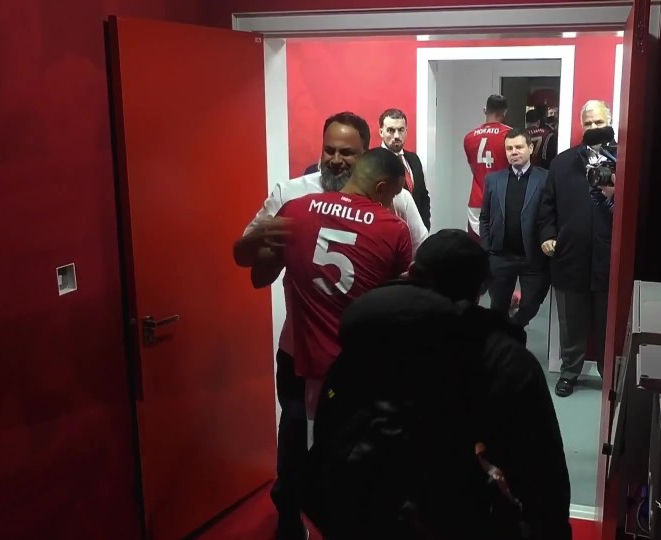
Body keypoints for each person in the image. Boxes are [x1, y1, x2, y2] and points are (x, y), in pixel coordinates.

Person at [232, 111, 427, 540]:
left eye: (348, 153)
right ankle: (290, 519)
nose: (337, 160)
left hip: (363, 357)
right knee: (297, 437)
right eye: (329, 151)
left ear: (365, 157)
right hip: (300, 349)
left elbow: (419, 261)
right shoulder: (292, 195)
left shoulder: (396, 201)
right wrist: (259, 242)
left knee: (359, 446)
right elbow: (253, 264)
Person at [303, 229, 572, 540]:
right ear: (481, 288)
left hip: (356, 516)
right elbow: (544, 478)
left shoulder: (368, 333)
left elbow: (327, 431)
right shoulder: (504, 360)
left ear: (412, 272)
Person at [274, 147, 413, 416]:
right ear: (381, 188)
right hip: (356, 368)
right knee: (348, 450)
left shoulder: (296, 209)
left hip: (297, 361)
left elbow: (261, 269)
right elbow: (397, 304)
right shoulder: (393, 228)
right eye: (393, 196)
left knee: (295, 451)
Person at [537, 99, 617, 398]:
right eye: (588, 123)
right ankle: (570, 371)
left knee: (609, 324)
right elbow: (546, 208)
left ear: (609, 120)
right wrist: (547, 234)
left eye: (598, 122)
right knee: (570, 322)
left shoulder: (625, 159)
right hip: (570, 257)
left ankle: (611, 377)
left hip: (609, 258)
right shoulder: (561, 163)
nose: (594, 128)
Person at [479, 128, 551, 328]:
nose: (514, 152)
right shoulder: (493, 180)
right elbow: (484, 216)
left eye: (519, 147)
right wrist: (487, 248)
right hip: (501, 256)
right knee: (498, 307)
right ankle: (502, 345)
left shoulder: (545, 178)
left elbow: (553, 214)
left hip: (533, 257)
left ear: (530, 148)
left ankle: (514, 329)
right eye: (509, 148)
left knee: (531, 305)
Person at [463, 95, 512, 242]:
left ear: (485, 110)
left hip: (477, 199)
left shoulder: (469, 137)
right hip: (502, 198)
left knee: (475, 247)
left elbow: (474, 169)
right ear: (505, 112)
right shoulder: (510, 135)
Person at [379, 108, 430, 230]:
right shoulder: (374, 162)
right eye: (390, 130)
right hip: (388, 233)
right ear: (381, 132)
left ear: (406, 131)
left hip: (416, 235)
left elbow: (423, 196)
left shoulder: (414, 159)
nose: (396, 136)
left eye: (401, 130)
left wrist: (424, 227)